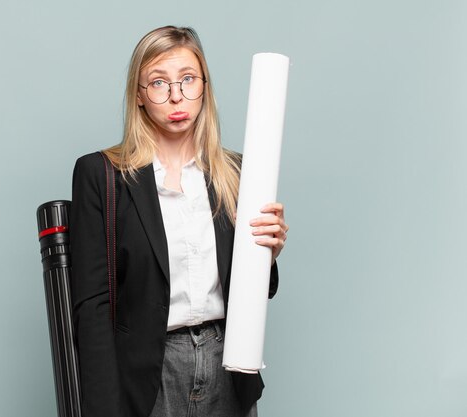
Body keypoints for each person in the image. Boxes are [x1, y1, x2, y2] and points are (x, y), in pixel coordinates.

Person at [70, 25, 289, 417]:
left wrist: (267, 256)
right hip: (148, 373)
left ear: (204, 86)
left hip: (229, 364)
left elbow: (257, 291)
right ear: (138, 95)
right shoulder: (101, 174)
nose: (176, 96)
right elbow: (92, 306)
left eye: (188, 79)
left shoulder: (237, 171)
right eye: (158, 82)